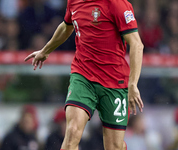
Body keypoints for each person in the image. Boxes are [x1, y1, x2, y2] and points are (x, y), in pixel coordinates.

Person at [25, 0, 144, 149]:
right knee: (72, 133)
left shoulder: (117, 3)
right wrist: (45, 50)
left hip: (115, 82)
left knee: (114, 146)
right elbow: (67, 26)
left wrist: (133, 84)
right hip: (83, 76)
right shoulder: (74, 1)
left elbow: (137, 44)